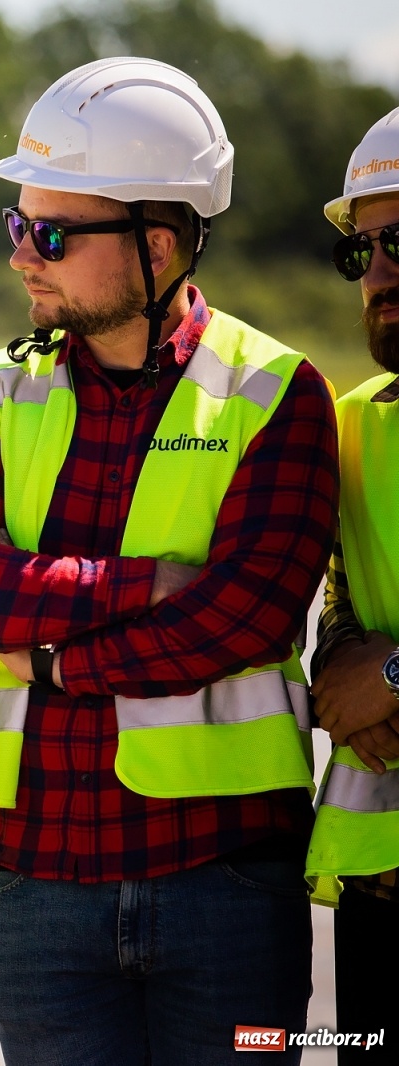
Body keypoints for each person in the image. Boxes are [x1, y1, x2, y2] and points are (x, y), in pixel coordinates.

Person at [0, 58, 338, 1063]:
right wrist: (141, 582)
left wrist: (53, 662)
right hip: (35, 879)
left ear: (156, 245)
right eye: (17, 226)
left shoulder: (278, 392)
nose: (22, 257)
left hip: (225, 879)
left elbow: (242, 620)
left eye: (52, 235)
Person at [307, 104, 399, 1064]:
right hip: (383, 888)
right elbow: (340, 594)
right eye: (360, 252)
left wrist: (395, 677)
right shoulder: (352, 422)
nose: (376, 274)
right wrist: (338, 663)